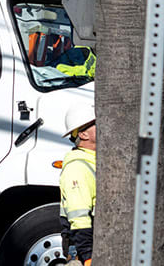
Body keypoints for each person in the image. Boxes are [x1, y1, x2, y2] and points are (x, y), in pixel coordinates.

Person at [59, 104, 97, 266]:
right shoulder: (78, 167)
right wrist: (88, 257)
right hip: (85, 248)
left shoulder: (92, 161)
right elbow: (79, 216)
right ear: (83, 134)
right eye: (96, 123)